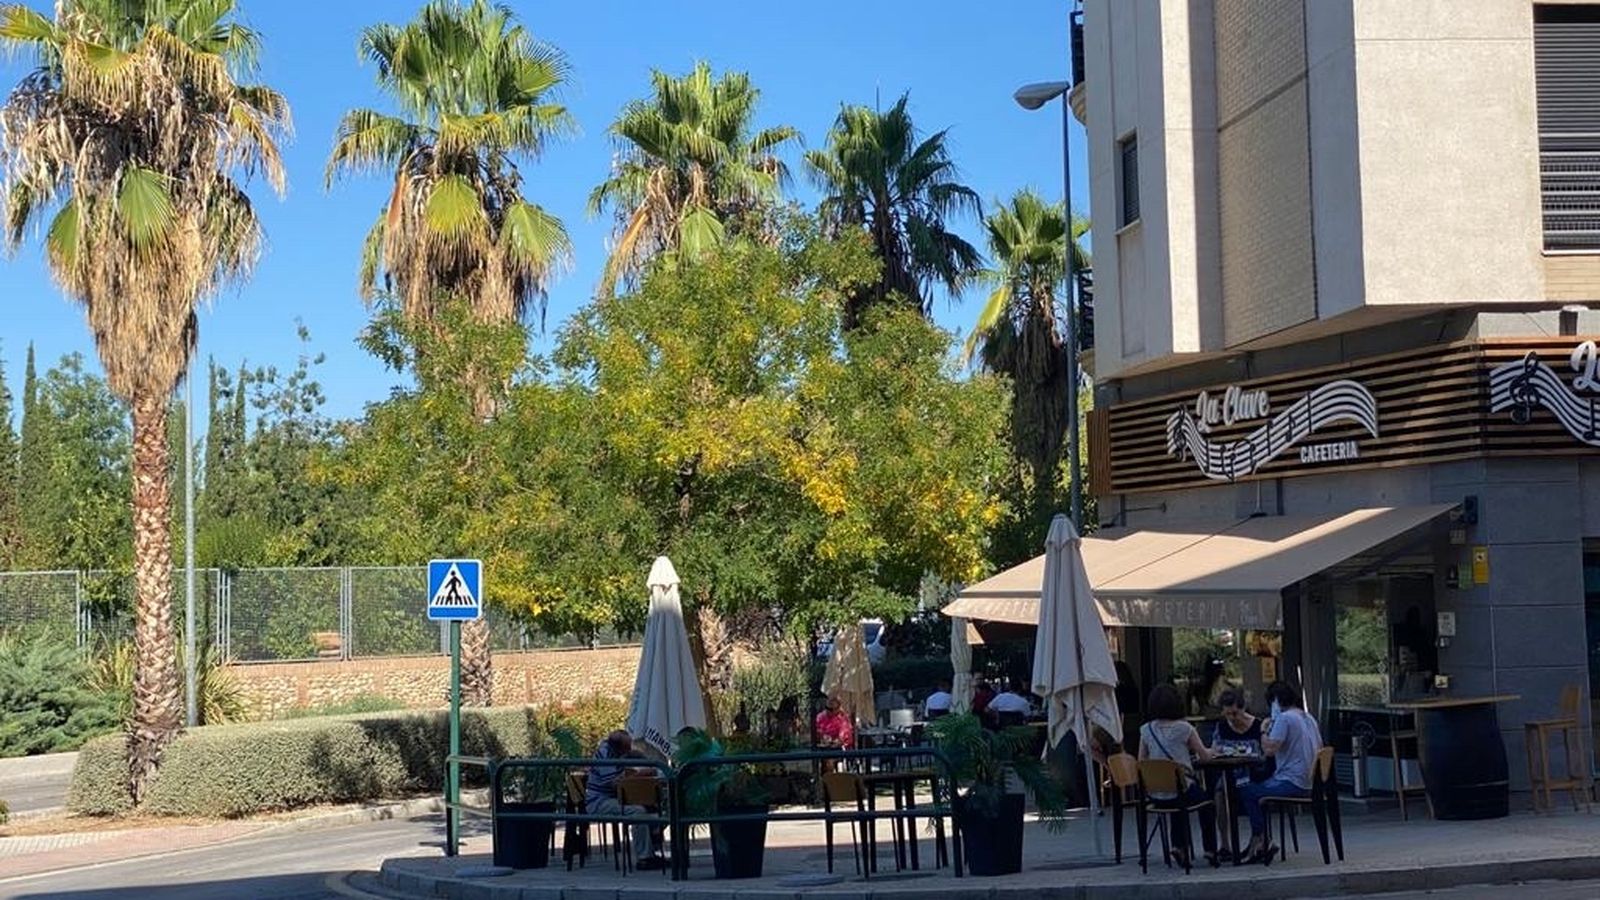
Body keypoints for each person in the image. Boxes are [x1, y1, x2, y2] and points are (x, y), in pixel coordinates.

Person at [1238, 681, 1322, 864]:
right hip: (1311, 780)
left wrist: (1262, 730)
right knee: (1258, 788)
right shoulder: (1308, 718)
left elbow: (1269, 749)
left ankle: (1261, 839)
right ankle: (1261, 838)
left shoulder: (1285, 719)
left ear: (1274, 703)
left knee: (1247, 790)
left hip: (1292, 781)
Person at [1138, 683, 1218, 868]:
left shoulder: (1145, 730)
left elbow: (1141, 762)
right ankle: (1210, 849)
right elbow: (1204, 757)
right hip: (1181, 790)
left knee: (1175, 794)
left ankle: (1178, 846)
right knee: (1206, 803)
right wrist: (1213, 751)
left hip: (1156, 794)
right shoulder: (1185, 728)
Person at [586, 730, 664, 870]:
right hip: (601, 801)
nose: (629, 750)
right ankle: (644, 858)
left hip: (618, 797)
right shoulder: (606, 755)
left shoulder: (625, 754)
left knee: (655, 809)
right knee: (637, 811)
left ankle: (653, 850)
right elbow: (615, 784)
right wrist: (639, 775)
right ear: (617, 747)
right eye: (626, 747)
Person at [1209, 689, 1270, 860]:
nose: (1232, 718)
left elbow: (1266, 755)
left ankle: (1259, 838)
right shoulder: (1221, 727)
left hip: (1254, 773)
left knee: (1251, 790)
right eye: (1227, 714)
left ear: (1243, 709)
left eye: (1235, 713)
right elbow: (1215, 749)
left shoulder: (1258, 726)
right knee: (1219, 793)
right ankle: (1225, 844)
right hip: (1230, 773)